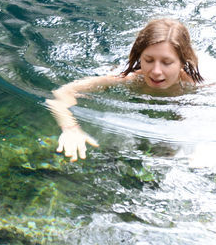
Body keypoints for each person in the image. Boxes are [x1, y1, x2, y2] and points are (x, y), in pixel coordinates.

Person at [47, 17, 203, 161]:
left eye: (167, 62)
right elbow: (62, 93)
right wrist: (70, 129)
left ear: (183, 62)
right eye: (148, 60)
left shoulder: (198, 86)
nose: (156, 71)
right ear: (140, 57)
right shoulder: (128, 79)